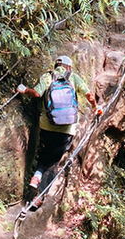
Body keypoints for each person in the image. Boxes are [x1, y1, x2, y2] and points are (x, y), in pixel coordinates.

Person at [17, 55, 102, 199]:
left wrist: (24, 89)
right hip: (67, 129)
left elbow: (37, 93)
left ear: (56, 66)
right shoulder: (73, 77)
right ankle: (39, 198)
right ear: (69, 67)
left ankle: (36, 178)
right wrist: (95, 108)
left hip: (47, 126)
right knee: (53, 162)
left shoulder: (48, 77)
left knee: (44, 156)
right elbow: (90, 96)